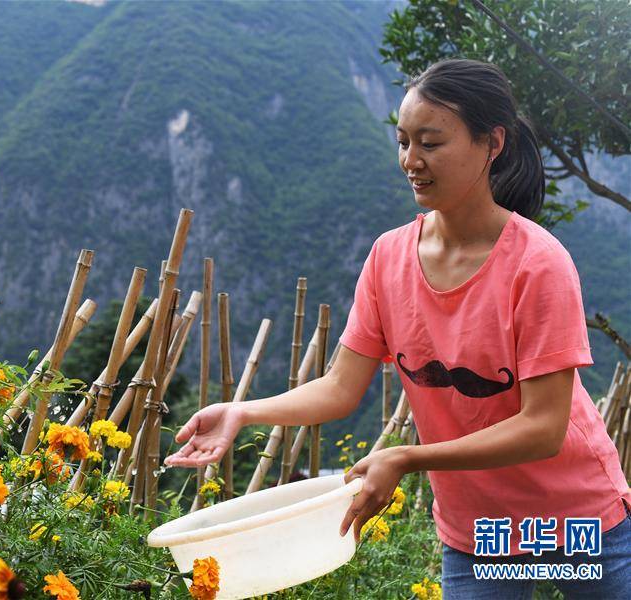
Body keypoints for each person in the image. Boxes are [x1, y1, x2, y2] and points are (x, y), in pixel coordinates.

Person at [164, 59, 631, 598]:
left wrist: (408, 457)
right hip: (481, 533)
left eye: (431, 143)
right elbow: (340, 388)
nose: (412, 161)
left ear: (492, 144)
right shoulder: (389, 258)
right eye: (404, 141)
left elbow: (544, 428)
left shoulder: (539, 264)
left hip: (578, 524)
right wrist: (243, 412)